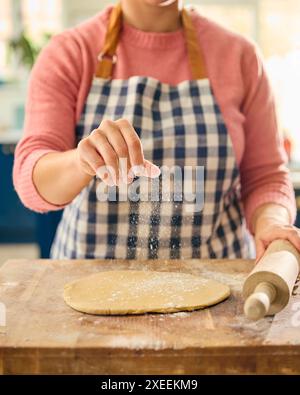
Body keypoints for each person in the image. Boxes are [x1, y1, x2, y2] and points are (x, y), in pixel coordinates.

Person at [13, 0, 300, 260]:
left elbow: (266, 177)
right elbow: (32, 180)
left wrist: (272, 223)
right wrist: (81, 160)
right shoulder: (70, 52)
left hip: (218, 289)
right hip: (88, 288)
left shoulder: (240, 56)